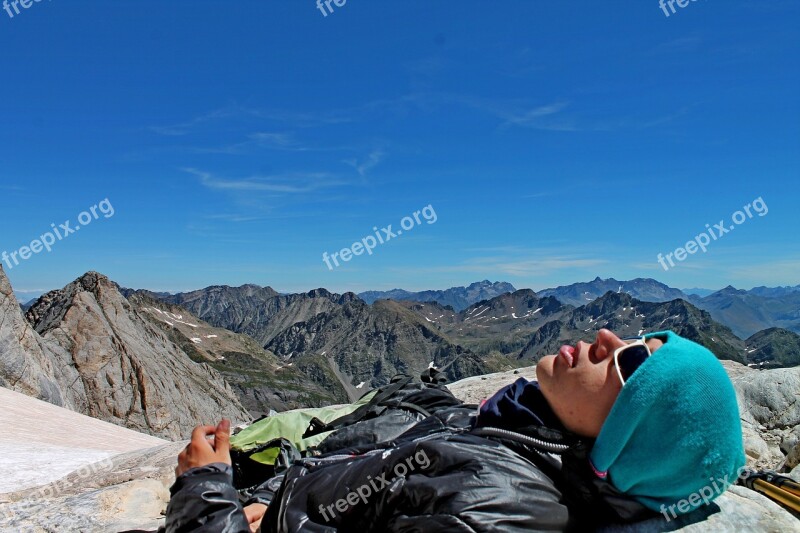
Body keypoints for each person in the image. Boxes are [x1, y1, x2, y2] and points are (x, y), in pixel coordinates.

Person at [162, 329, 745, 532]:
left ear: (626, 441)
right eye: (641, 339)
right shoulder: (517, 443)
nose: (606, 339)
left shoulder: (498, 506)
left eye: (632, 366)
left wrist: (207, 493)